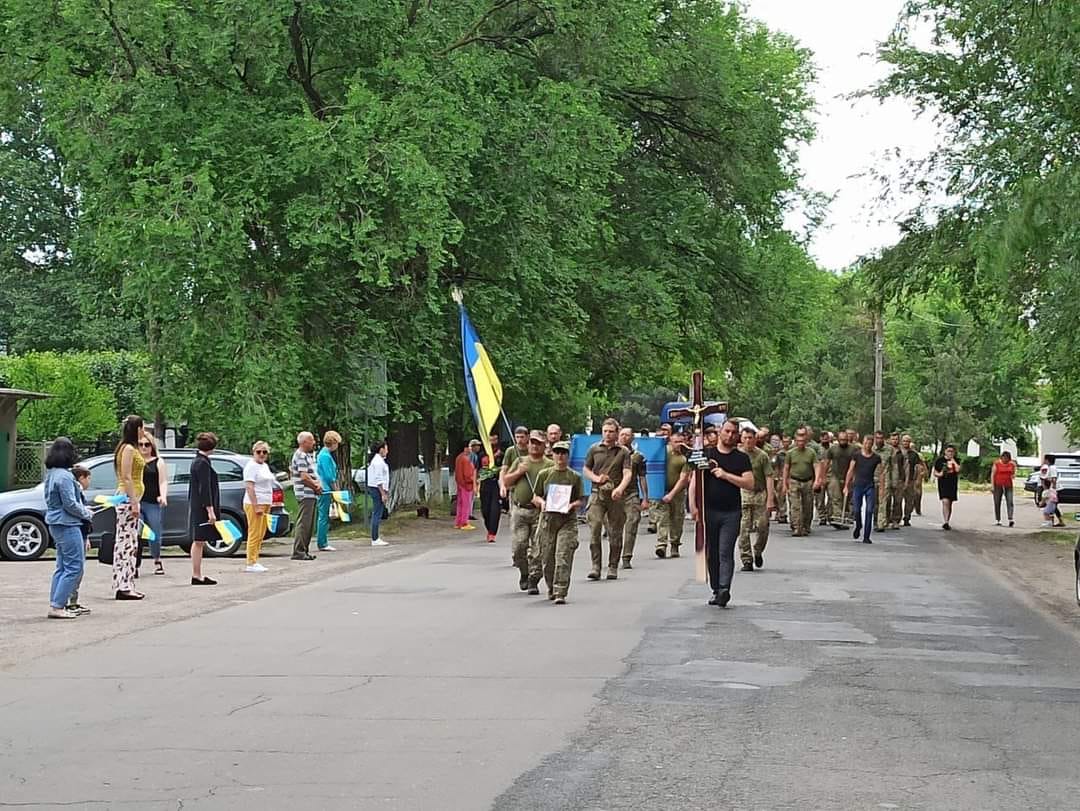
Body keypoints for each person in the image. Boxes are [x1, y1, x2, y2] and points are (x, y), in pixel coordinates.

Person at [692, 420, 753, 607]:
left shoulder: (741, 458)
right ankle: (716, 589)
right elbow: (694, 481)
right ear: (720, 432)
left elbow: (750, 483)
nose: (730, 435)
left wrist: (726, 475)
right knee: (712, 552)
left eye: (734, 432)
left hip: (731, 512)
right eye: (727, 431)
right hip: (709, 510)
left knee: (725, 551)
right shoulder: (706, 454)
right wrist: (693, 506)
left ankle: (725, 589)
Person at [44, 438, 95, 619]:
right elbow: (70, 504)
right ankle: (58, 605)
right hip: (67, 524)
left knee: (62, 566)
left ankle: (56, 602)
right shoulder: (65, 476)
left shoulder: (51, 474)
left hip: (55, 523)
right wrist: (86, 513)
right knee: (74, 566)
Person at [530, 441, 585, 604]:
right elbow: (535, 496)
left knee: (563, 555)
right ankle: (551, 587)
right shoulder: (544, 474)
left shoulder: (574, 477)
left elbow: (581, 499)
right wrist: (542, 503)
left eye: (563, 453)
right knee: (547, 557)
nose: (560, 456)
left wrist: (572, 505)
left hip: (567, 520)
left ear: (568, 456)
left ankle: (560, 590)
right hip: (548, 519)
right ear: (552, 455)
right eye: (557, 453)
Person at [583, 418, 632, 581]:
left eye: (611, 431)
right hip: (597, 493)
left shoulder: (623, 452)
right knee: (595, 527)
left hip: (615, 495)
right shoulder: (594, 449)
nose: (608, 434)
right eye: (605, 431)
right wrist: (596, 479)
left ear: (617, 432)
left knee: (615, 531)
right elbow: (586, 469)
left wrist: (620, 488)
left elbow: (627, 473)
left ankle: (612, 566)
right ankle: (596, 566)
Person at [504, 431, 552, 591]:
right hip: (520, 511)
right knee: (519, 547)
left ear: (544, 445)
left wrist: (544, 502)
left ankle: (533, 578)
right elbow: (506, 481)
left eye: (538, 443)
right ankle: (524, 572)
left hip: (539, 512)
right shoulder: (520, 461)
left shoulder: (549, 465)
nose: (534, 445)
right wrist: (518, 472)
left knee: (538, 549)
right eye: (532, 442)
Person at [113, 415, 146, 600]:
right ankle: (124, 585)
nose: (144, 431)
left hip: (130, 496)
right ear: (136, 428)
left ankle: (126, 582)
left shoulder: (131, 448)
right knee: (126, 542)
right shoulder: (127, 449)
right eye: (142, 427)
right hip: (127, 498)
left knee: (130, 542)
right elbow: (126, 476)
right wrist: (134, 501)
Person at [738, 426, 774, 571]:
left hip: (759, 493)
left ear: (755, 439)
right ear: (741, 439)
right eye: (745, 438)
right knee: (743, 528)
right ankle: (746, 559)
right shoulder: (737, 455)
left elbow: (769, 477)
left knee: (763, 526)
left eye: (750, 438)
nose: (748, 441)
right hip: (743, 493)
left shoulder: (762, 456)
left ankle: (758, 550)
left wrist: (770, 499)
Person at [188, 432, 220, 585]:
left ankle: (197, 573)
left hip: (196, 505)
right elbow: (204, 488)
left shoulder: (198, 461)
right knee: (199, 540)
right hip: (201, 507)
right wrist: (210, 510)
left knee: (199, 540)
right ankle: (196, 574)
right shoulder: (203, 464)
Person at [655, 429, 691, 558]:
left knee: (677, 518)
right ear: (671, 442)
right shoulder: (663, 452)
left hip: (678, 493)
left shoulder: (685, 458)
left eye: (681, 442)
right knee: (662, 518)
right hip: (661, 490)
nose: (679, 444)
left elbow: (683, 479)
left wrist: (672, 494)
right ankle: (661, 545)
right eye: (676, 442)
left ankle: (675, 544)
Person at [618, 427, 649, 569]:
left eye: (627, 435)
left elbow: (642, 478)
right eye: (622, 435)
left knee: (632, 523)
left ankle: (626, 556)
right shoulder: (612, 454)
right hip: (614, 495)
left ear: (632, 438)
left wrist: (645, 498)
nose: (624, 437)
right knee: (614, 529)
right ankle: (614, 556)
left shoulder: (638, 457)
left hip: (632, 494)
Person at [845, 434, 885, 543]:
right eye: (866, 443)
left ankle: (866, 536)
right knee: (857, 509)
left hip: (870, 486)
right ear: (863, 443)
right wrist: (846, 486)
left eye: (870, 444)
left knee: (869, 510)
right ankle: (858, 525)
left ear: (872, 445)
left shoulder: (876, 457)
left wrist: (881, 488)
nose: (868, 445)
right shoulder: (856, 455)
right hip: (858, 485)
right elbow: (850, 470)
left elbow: (881, 474)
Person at [65, 465, 94, 615]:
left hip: (82, 534)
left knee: (74, 568)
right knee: (76, 568)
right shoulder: (77, 492)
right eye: (88, 478)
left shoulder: (78, 492)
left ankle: (71, 601)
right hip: (77, 533)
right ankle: (70, 602)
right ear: (81, 478)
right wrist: (87, 513)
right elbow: (80, 515)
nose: (90, 482)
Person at [243, 440, 275, 572]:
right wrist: (256, 506)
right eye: (259, 452)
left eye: (264, 452)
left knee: (261, 532)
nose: (262, 454)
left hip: (266, 501)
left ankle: (256, 559)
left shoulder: (264, 466)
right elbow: (250, 487)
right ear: (253, 452)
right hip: (255, 502)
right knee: (254, 532)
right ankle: (251, 562)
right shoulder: (251, 466)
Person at [139, 434, 168, 576]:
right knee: (136, 532)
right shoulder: (135, 461)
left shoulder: (158, 462)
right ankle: (134, 563)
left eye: (147, 444)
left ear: (152, 446)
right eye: (141, 444)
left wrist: (163, 496)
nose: (144, 447)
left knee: (155, 534)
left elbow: (163, 481)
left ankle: (157, 559)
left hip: (152, 502)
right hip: (137, 502)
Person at [290, 431, 322, 560]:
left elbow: (311, 474)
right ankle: (299, 551)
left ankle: (305, 550)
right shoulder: (300, 455)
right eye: (311, 440)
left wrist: (317, 483)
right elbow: (304, 477)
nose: (314, 442)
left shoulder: (307, 456)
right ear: (304, 442)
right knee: (304, 523)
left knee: (309, 524)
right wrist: (316, 486)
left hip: (311, 494)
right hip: (305, 493)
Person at [783, 429, 817, 537]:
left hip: (807, 481)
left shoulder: (811, 452)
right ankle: (797, 527)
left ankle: (806, 526)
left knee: (808, 505)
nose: (801, 443)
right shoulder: (790, 453)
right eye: (798, 441)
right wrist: (784, 483)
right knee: (795, 505)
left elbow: (816, 466)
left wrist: (817, 481)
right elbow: (786, 468)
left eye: (803, 441)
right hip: (794, 480)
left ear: (806, 442)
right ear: (795, 442)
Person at [822, 430, 856, 526]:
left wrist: (854, 477)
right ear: (838, 439)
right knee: (836, 498)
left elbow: (856, 464)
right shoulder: (833, 449)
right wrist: (823, 477)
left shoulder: (853, 449)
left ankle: (845, 517)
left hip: (848, 477)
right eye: (841, 440)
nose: (843, 442)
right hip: (835, 476)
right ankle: (837, 518)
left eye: (845, 440)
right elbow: (826, 463)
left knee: (847, 498)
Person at [315, 430, 342, 552]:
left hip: (324, 487)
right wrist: (335, 489)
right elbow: (329, 475)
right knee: (324, 516)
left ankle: (323, 541)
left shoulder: (322, 454)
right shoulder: (325, 456)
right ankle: (322, 542)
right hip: (325, 488)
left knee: (324, 515)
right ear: (334, 442)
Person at [478, 431, 505, 543]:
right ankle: (489, 528)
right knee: (485, 509)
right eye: (491, 440)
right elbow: (476, 468)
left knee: (495, 509)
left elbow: (505, 468)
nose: (493, 442)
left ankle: (492, 533)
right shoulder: (482, 454)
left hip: (496, 483)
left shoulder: (502, 454)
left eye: (495, 439)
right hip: (484, 483)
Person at [366, 440, 391, 546]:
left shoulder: (378, 460)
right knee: (377, 513)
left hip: (376, 489)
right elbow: (379, 479)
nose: (387, 451)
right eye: (386, 448)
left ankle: (375, 537)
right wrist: (383, 493)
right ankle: (375, 538)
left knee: (377, 512)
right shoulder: (378, 462)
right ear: (381, 449)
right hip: (377, 489)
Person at [932, 445, 961, 530]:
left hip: (952, 483)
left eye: (952, 451)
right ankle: (945, 521)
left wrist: (953, 461)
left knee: (950, 502)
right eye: (948, 451)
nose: (950, 453)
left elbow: (958, 470)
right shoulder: (939, 460)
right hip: (943, 482)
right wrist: (940, 474)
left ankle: (947, 520)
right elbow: (935, 472)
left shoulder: (956, 460)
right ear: (945, 451)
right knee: (945, 501)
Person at [454, 441, 479, 530]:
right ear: (466, 448)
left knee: (460, 504)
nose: (471, 449)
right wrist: (474, 480)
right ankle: (464, 523)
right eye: (469, 447)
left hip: (460, 483)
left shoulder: (459, 457)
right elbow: (468, 474)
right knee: (466, 504)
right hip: (467, 484)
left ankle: (458, 522)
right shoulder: (466, 459)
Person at [991, 450, 1017, 528]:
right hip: (997, 485)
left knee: (1010, 501)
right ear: (1001, 457)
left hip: (1008, 485)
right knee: (997, 502)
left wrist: (1014, 473)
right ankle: (998, 519)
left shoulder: (1011, 464)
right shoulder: (997, 464)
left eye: (1007, 458)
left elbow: (1013, 473)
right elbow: (993, 474)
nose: (1005, 459)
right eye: (1004, 458)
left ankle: (1010, 519)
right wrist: (992, 486)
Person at [899, 435, 920, 526]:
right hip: (899, 479)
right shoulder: (897, 452)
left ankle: (907, 517)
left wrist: (917, 480)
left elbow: (917, 467)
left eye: (907, 441)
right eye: (904, 441)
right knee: (897, 500)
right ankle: (896, 518)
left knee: (909, 501)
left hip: (911, 480)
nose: (905, 443)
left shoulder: (914, 454)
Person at [1039, 454, 1066, 528]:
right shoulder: (1050, 467)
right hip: (1053, 489)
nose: (1044, 461)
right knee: (1053, 506)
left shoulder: (1052, 468)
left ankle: (1052, 521)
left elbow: (1054, 479)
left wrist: (1052, 488)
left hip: (1055, 490)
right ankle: (1058, 521)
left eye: (1045, 459)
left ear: (1047, 460)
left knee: (1052, 506)